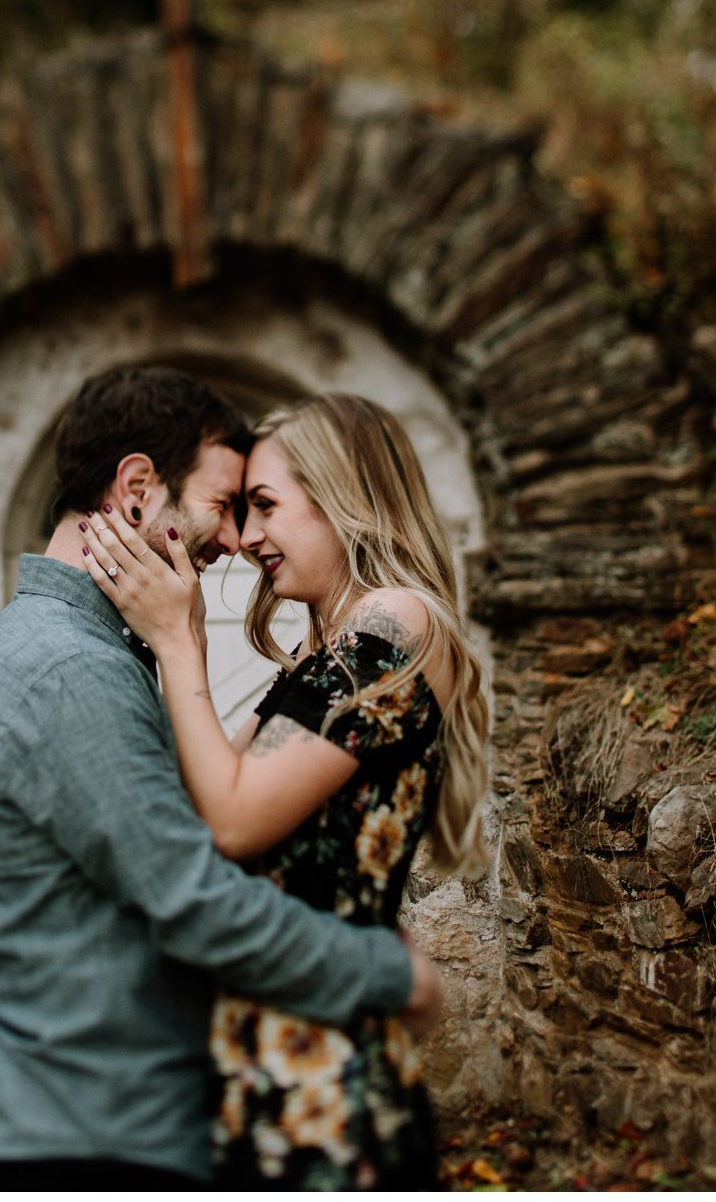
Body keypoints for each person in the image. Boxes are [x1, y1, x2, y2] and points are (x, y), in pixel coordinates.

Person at [0, 367, 444, 1191]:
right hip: (101, 1142)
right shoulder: (72, 668)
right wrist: (393, 974)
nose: (234, 540)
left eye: (259, 508)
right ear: (138, 488)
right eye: (224, 503)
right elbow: (193, 897)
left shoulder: (94, 651)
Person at [79, 392, 491, 1189]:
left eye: (265, 506)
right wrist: (183, 630)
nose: (248, 538)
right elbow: (199, 803)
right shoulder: (323, 654)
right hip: (268, 1073)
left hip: (331, 1097)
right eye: (239, 509)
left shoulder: (397, 625)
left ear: (346, 498)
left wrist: (175, 641)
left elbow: (232, 823)